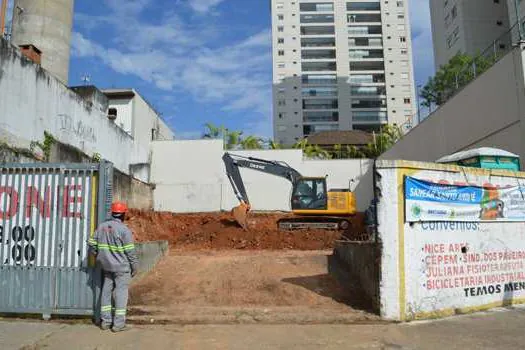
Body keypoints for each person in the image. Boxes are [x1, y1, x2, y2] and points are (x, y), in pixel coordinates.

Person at [88, 201, 138, 332]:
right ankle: (118, 324)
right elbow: (130, 252)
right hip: (121, 268)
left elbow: (92, 244)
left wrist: (98, 255)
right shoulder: (124, 230)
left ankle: (105, 322)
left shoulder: (102, 227)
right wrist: (134, 267)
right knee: (121, 293)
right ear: (123, 214)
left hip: (106, 267)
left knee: (106, 292)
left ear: (113, 213)